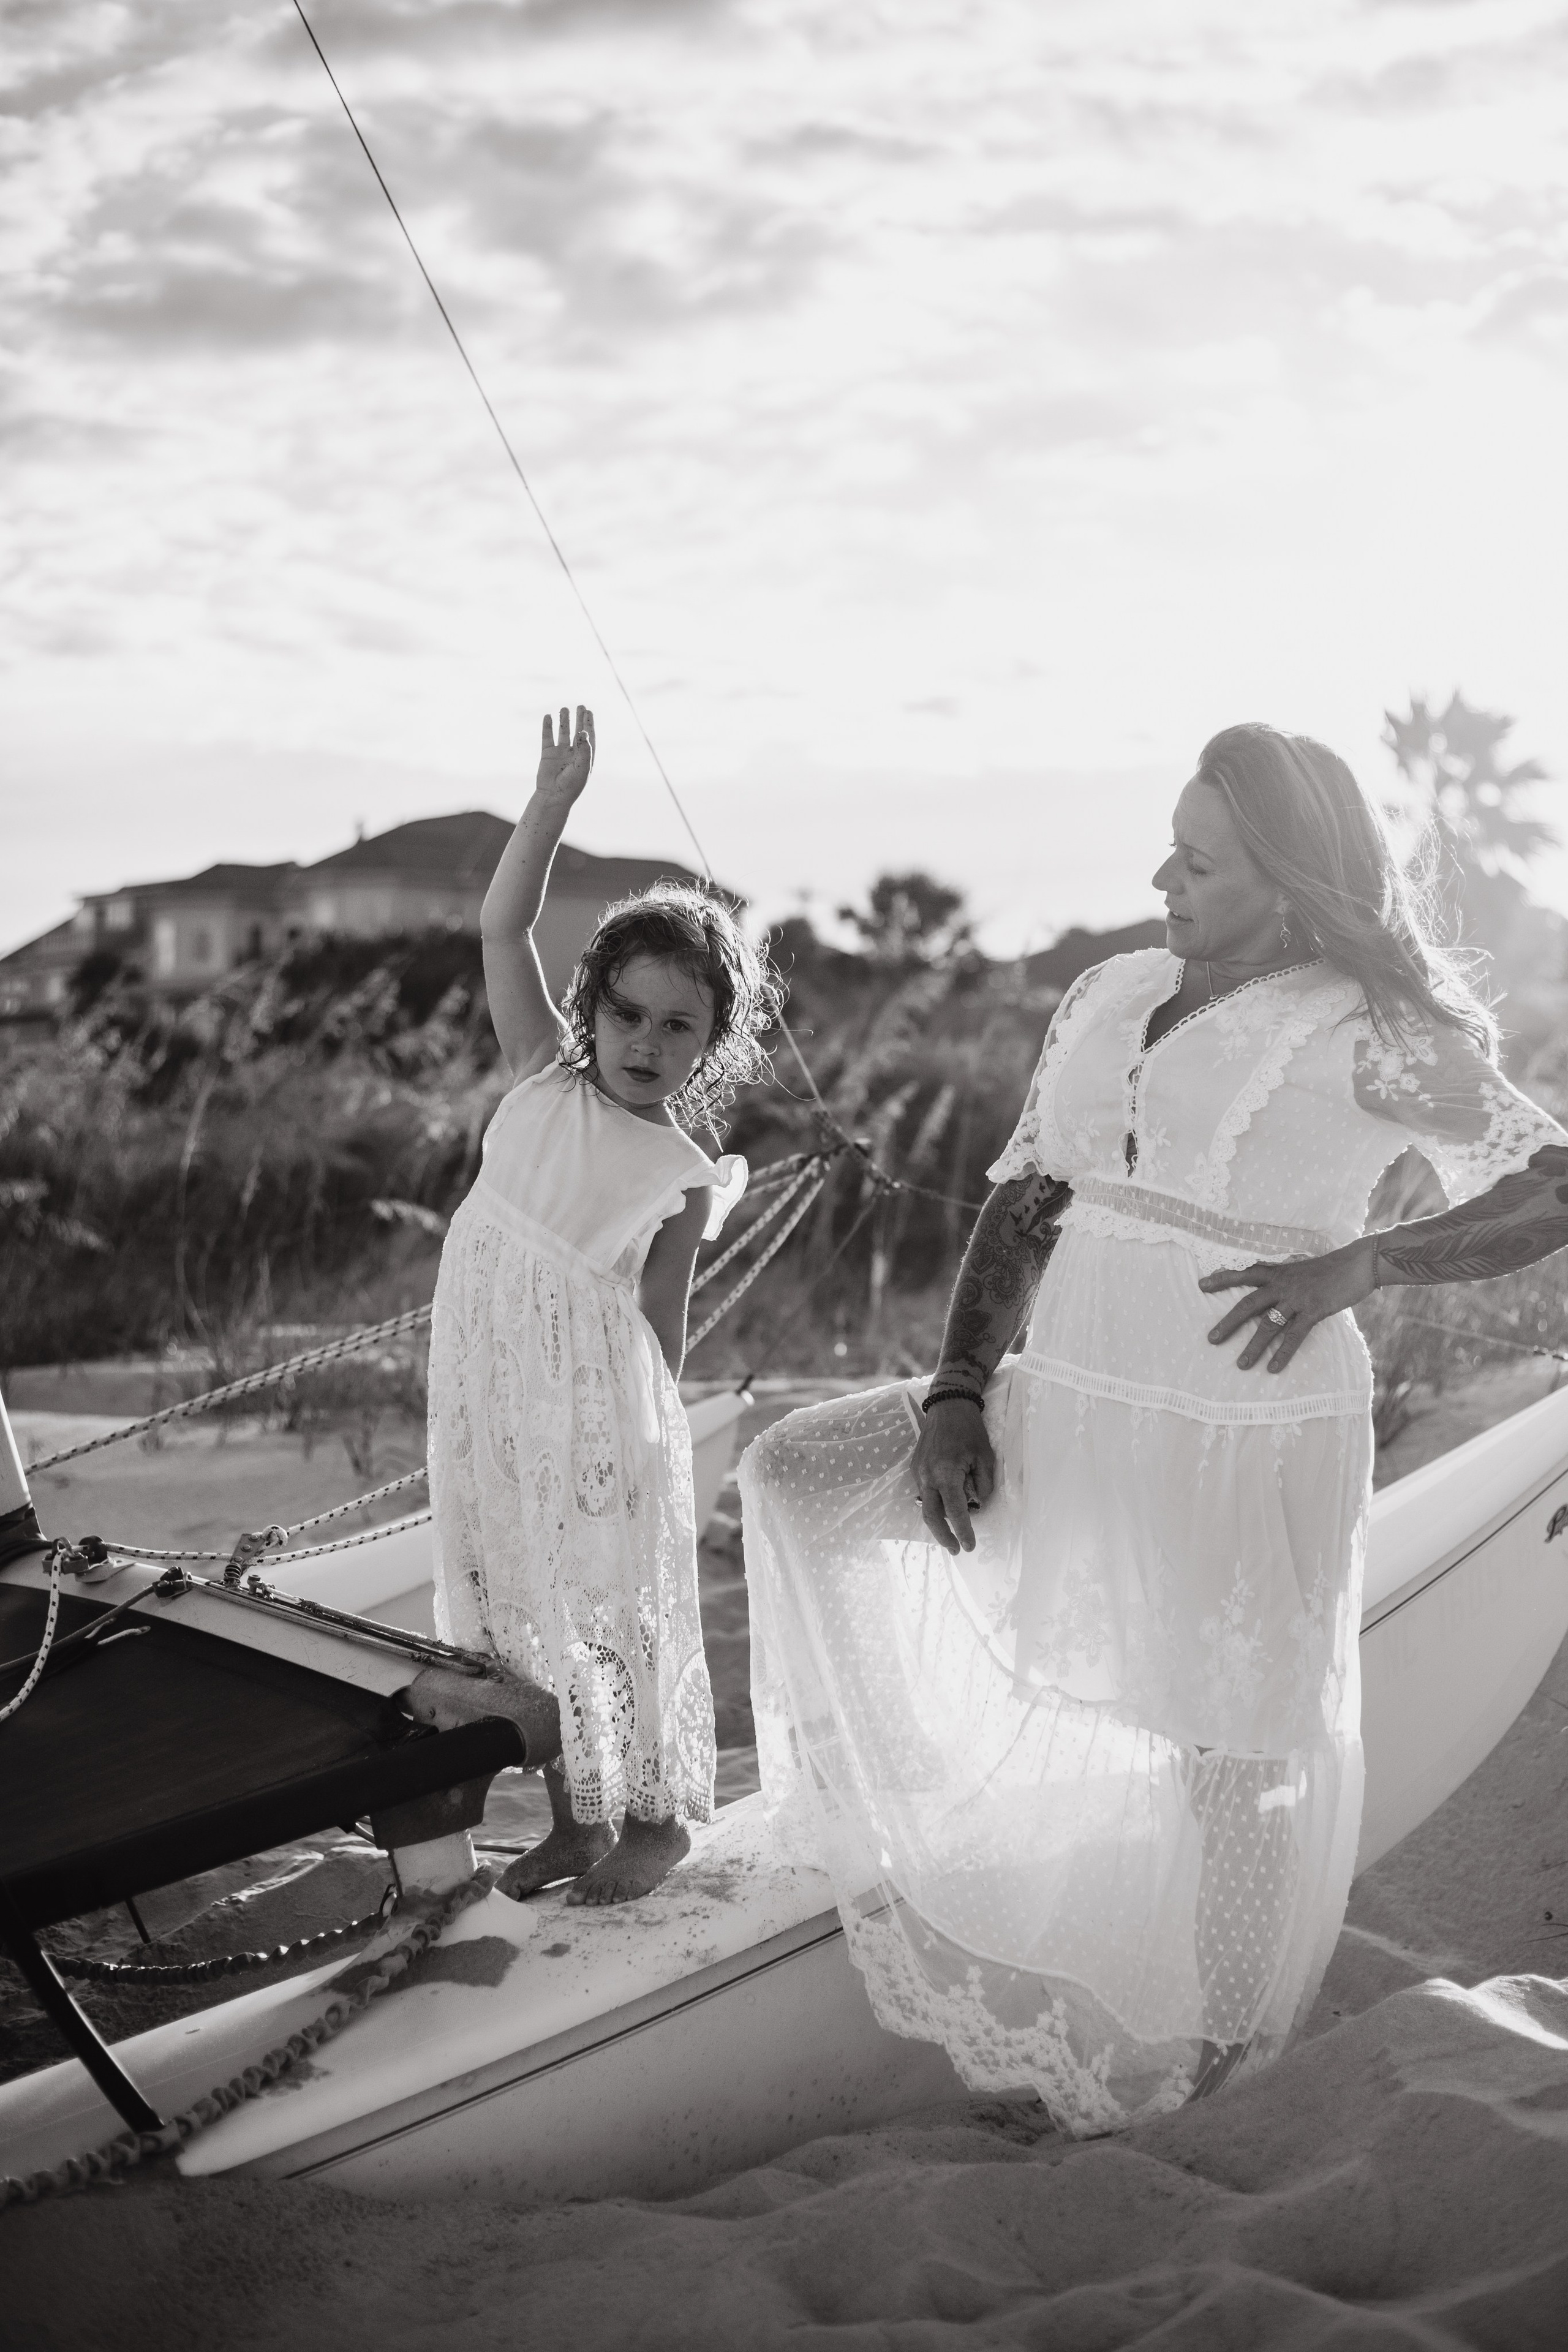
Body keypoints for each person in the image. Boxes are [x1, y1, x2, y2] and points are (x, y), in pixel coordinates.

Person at [740, 721, 1568, 2127]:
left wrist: (1366, 1262)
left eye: (1197, 861)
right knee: (793, 1472)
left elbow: (1548, 1185)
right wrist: (953, 1391)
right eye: (1167, 848)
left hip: (1241, 1427)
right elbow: (1023, 1196)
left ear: (1294, 883)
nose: (1159, 879)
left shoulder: (1370, 1029)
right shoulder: (1111, 989)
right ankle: (908, 1818)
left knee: (1229, 1766)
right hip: (1059, 1399)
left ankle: (1212, 2070)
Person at [420, 705, 778, 1904]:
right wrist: (551, 805)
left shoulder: (678, 1169)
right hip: (494, 1390)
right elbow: (500, 920)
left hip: (595, 1409)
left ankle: (651, 1820)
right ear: (590, 1008)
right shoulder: (538, 1074)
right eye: (625, 1012)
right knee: (521, 1603)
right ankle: (574, 1820)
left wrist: (650, 1447)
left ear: (709, 1045)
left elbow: (661, 1317)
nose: (644, 1040)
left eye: (677, 1026)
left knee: (600, 1611)